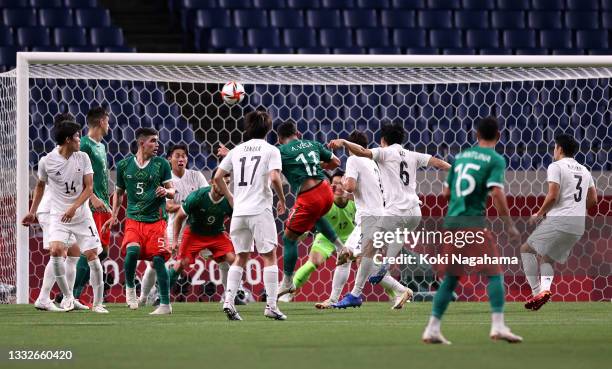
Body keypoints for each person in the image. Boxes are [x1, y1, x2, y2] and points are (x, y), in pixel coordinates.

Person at [421, 117, 522, 344]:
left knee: (451, 277)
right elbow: (496, 193)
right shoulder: (495, 159)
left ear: (476, 135)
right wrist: (509, 225)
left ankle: (432, 328)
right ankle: (498, 326)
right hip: (473, 223)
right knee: (494, 271)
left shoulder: (461, 157)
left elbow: (445, 194)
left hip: (452, 222)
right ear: (498, 136)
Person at [328, 123, 450, 308]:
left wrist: (344, 142)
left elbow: (362, 152)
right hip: (415, 211)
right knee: (390, 239)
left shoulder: (385, 153)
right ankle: (388, 266)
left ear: (383, 140)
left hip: (395, 212)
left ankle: (356, 293)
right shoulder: (412, 155)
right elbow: (438, 163)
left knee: (368, 248)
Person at [23, 120, 107, 313]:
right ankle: (66, 297)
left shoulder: (83, 157)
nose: (81, 139)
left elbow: (89, 188)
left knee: (91, 255)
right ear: (68, 139)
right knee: (56, 251)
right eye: (78, 136)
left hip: (81, 215)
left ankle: (98, 303)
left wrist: (74, 207)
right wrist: (32, 211)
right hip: (58, 215)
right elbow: (40, 186)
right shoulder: (47, 161)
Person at [214, 110, 287, 321]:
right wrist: (282, 200)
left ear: (247, 128)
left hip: (240, 212)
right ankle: (271, 306)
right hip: (260, 210)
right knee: (269, 256)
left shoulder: (236, 151)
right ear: (269, 129)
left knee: (241, 256)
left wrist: (230, 197)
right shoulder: (271, 150)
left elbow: (218, 176)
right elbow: (274, 178)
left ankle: (228, 301)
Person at [102, 127, 175, 315]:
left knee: (159, 260)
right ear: (141, 143)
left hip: (156, 220)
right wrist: (114, 215)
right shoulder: (124, 166)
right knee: (132, 251)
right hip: (134, 219)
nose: (157, 145)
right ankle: (130, 290)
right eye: (153, 141)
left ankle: (165, 305)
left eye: (157, 141)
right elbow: (118, 193)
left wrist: (166, 192)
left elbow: (172, 190)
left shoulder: (161, 164)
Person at [520, 134, 597, 311]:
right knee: (548, 257)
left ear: (559, 149)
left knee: (526, 250)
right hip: (578, 226)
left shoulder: (555, 166)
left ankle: (536, 292)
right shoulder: (585, 170)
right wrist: (576, 209)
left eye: (554, 147)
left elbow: (553, 195)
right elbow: (593, 200)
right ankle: (545, 291)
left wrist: (539, 213)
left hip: (560, 220)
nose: (554, 150)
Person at [275, 120, 342, 298]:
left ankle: (288, 282)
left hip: (309, 196)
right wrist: (317, 166)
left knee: (288, 238)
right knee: (317, 216)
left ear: (280, 138)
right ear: (297, 133)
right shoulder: (312, 144)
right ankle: (341, 247)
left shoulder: (280, 151)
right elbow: (336, 161)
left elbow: (271, 174)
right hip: (326, 192)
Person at [137, 143, 208, 306]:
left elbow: (207, 197)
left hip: (198, 229)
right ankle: (144, 297)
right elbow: (168, 206)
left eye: (184, 155)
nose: (181, 158)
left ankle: (232, 294)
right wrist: (188, 207)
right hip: (175, 228)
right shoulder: (164, 179)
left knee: (223, 256)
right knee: (156, 261)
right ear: (169, 159)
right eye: (177, 155)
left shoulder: (196, 176)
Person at [168, 168, 235, 294]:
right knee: (181, 263)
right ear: (212, 182)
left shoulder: (230, 201)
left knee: (231, 259)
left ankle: (230, 295)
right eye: (222, 182)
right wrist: (175, 241)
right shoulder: (198, 196)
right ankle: (162, 296)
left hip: (216, 234)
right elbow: (179, 217)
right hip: (194, 234)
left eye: (228, 183)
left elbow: (237, 221)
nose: (225, 186)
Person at [72, 107, 112, 305]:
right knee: (92, 250)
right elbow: (78, 174)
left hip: (103, 205)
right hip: (91, 204)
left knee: (103, 251)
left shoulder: (102, 147)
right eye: (107, 121)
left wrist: (106, 201)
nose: (109, 124)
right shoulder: (84, 145)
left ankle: (74, 292)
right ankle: (71, 295)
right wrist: (93, 197)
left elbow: (102, 177)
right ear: (100, 122)